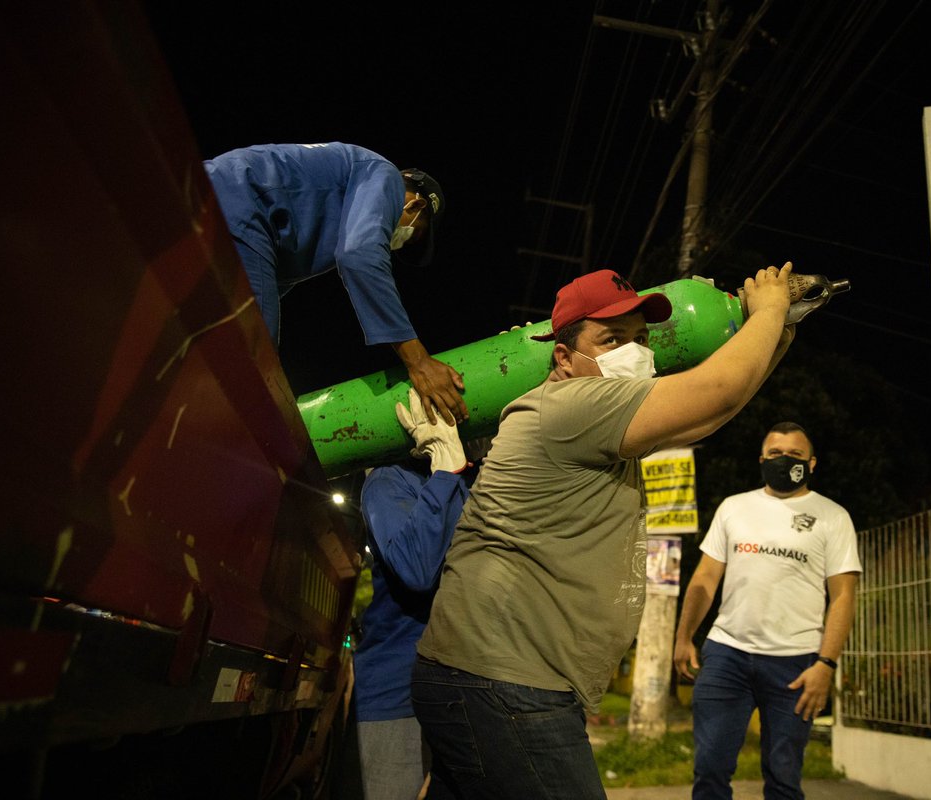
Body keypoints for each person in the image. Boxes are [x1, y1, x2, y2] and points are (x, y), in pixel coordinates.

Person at [412, 264, 797, 799]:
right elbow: (718, 391)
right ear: (564, 358)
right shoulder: (573, 407)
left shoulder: (587, 420)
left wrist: (777, 335)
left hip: (483, 677)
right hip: (507, 684)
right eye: (611, 339)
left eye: (641, 338)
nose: (633, 351)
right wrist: (771, 310)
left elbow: (707, 419)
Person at [204, 141, 467, 424]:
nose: (400, 244)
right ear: (415, 204)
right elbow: (359, 255)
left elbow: (269, 285)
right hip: (239, 202)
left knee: (207, 349)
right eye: (413, 235)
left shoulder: (335, 208)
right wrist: (419, 361)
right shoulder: (385, 175)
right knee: (255, 373)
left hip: (215, 194)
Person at [673, 421, 863, 800]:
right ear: (761, 460)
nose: (784, 460)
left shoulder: (832, 516)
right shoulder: (734, 508)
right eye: (775, 454)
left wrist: (825, 665)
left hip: (795, 666)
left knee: (783, 780)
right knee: (709, 770)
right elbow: (705, 579)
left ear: (811, 464)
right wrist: (683, 638)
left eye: (794, 455)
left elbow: (843, 596)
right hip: (727, 656)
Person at [354, 387, 486, 800]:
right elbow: (417, 569)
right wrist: (445, 474)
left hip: (467, 688)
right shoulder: (389, 482)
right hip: (398, 692)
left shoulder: (474, 479)